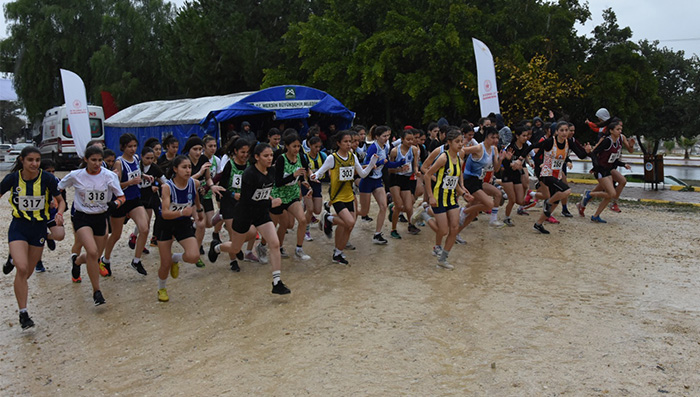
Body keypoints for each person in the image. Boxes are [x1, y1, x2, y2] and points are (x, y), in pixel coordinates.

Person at [208, 143, 292, 294]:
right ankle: (216, 247)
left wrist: (270, 198)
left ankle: (277, 282)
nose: (269, 158)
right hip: (245, 213)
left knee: (274, 243)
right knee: (235, 248)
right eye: (266, 156)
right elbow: (247, 200)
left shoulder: (271, 171)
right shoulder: (249, 174)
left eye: (271, 155)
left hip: (261, 213)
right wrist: (270, 203)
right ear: (257, 157)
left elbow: (264, 190)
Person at [1, 146, 66, 329]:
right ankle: (23, 313)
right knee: (22, 269)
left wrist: (59, 214)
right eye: (30, 160)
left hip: (38, 229)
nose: (35, 164)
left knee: (27, 272)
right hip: (19, 227)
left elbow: (61, 201)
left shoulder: (47, 179)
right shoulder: (12, 179)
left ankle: (13, 259)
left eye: (37, 160)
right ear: (22, 160)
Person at [58, 146, 124, 306]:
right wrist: (59, 203)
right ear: (86, 160)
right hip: (82, 218)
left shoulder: (109, 176)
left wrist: (115, 203)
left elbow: (121, 196)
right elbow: (58, 187)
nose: (97, 163)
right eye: (93, 160)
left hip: (101, 218)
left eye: (100, 160)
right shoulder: (76, 175)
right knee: (93, 252)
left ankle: (78, 261)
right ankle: (97, 291)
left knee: (93, 256)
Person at [311, 130, 378, 265]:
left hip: (349, 195)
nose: (349, 144)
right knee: (350, 222)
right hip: (337, 197)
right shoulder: (332, 158)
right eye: (346, 142)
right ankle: (328, 218)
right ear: (338, 143)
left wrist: (371, 163)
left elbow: (363, 174)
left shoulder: (352, 157)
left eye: (350, 141)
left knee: (347, 227)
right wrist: (314, 176)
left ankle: (338, 253)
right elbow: (320, 171)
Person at [100, 133, 153, 276]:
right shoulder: (119, 162)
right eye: (129, 146)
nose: (133, 149)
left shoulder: (136, 158)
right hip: (121, 201)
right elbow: (115, 186)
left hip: (135, 199)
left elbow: (136, 174)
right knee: (116, 234)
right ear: (123, 147)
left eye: (135, 146)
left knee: (144, 228)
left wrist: (144, 176)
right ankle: (106, 259)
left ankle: (136, 261)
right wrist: (130, 183)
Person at [156, 155, 204, 302]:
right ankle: (161, 288)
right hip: (165, 224)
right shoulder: (167, 187)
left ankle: (175, 258)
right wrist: (182, 212)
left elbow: (195, 199)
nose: (188, 170)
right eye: (184, 167)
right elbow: (165, 213)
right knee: (164, 263)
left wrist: (199, 211)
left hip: (183, 223)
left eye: (190, 167)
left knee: (194, 256)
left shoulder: (194, 183)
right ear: (175, 169)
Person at [423, 129, 472, 269]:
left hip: (451, 199)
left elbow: (453, 181)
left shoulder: (460, 160)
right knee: (443, 230)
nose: (460, 144)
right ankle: (425, 215)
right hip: (438, 197)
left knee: (455, 228)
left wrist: (463, 193)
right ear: (449, 142)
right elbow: (427, 175)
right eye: (457, 142)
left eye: (461, 141)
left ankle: (443, 259)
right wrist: (431, 196)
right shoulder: (443, 158)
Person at [529, 121, 590, 234]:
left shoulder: (569, 142)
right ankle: (547, 201)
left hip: (557, 174)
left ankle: (538, 224)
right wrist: (539, 165)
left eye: (566, 130)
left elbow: (581, 155)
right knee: (566, 190)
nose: (564, 132)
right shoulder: (549, 142)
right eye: (562, 130)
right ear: (556, 132)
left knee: (555, 203)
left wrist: (587, 152)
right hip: (547, 174)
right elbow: (536, 154)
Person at [578, 119, 632, 222]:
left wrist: (623, 164)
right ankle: (589, 194)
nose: (620, 131)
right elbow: (594, 153)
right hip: (601, 170)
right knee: (611, 194)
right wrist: (596, 167)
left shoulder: (619, 141)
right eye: (618, 129)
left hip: (608, 169)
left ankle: (596, 216)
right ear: (611, 131)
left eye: (621, 129)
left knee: (610, 194)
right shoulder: (607, 141)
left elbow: (613, 159)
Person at [358, 125, 404, 245]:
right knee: (363, 211)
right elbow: (367, 163)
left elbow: (387, 164)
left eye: (388, 136)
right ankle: (333, 217)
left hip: (377, 181)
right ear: (377, 137)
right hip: (367, 181)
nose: (386, 138)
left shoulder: (385, 147)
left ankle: (377, 234)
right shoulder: (373, 147)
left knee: (383, 206)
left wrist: (400, 163)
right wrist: (379, 162)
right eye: (384, 136)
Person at [270, 132, 312, 260]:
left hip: (292, 195)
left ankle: (299, 249)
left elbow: (302, 174)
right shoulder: (281, 159)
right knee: (278, 224)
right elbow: (278, 182)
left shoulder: (301, 157)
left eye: (299, 146)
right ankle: (265, 245)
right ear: (287, 146)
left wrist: (306, 183)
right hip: (278, 196)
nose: (297, 149)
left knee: (302, 220)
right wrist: (293, 175)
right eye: (294, 146)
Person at [387, 128, 421, 238]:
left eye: (412, 139)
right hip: (395, 179)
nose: (411, 142)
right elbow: (389, 169)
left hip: (406, 179)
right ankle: (393, 229)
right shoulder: (395, 151)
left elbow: (415, 164)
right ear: (402, 139)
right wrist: (399, 169)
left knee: (408, 206)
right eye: (408, 139)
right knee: (398, 205)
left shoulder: (414, 150)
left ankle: (411, 225)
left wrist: (416, 171)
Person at [501, 125, 531, 226]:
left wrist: (528, 163)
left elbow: (525, 157)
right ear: (517, 136)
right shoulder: (511, 147)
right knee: (512, 199)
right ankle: (507, 217)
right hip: (508, 174)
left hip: (517, 175)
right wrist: (512, 164)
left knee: (520, 200)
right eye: (524, 135)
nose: (526, 138)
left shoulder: (526, 146)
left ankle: (504, 195)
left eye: (527, 136)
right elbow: (504, 163)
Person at [302, 136, 327, 241]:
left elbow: (329, 168)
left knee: (317, 210)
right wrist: (307, 182)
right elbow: (304, 172)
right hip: (307, 185)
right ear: (310, 146)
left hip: (317, 185)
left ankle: (304, 204)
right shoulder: (304, 157)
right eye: (315, 147)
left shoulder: (323, 156)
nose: (317, 149)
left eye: (319, 147)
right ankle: (306, 231)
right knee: (310, 209)